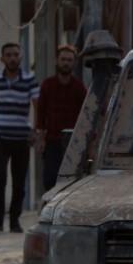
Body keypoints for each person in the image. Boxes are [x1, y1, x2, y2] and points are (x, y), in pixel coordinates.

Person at [0, 42, 39, 232]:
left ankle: (15, 220)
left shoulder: (30, 80)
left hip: (22, 137)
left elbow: (37, 105)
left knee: (19, 180)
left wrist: (35, 132)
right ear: (2, 58)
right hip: (0, 135)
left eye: (16, 54)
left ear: (21, 57)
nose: (12, 58)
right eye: (8, 55)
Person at [36, 44, 87, 193]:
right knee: (50, 179)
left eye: (69, 60)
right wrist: (40, 138)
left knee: (72, 180)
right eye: (63, 59)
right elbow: (41, 112)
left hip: (73, 141)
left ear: (74, 63)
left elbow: (85, 115)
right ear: (57, 61)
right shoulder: (48, 85)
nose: (66, 63)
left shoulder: (79, 87)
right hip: (52, 140)